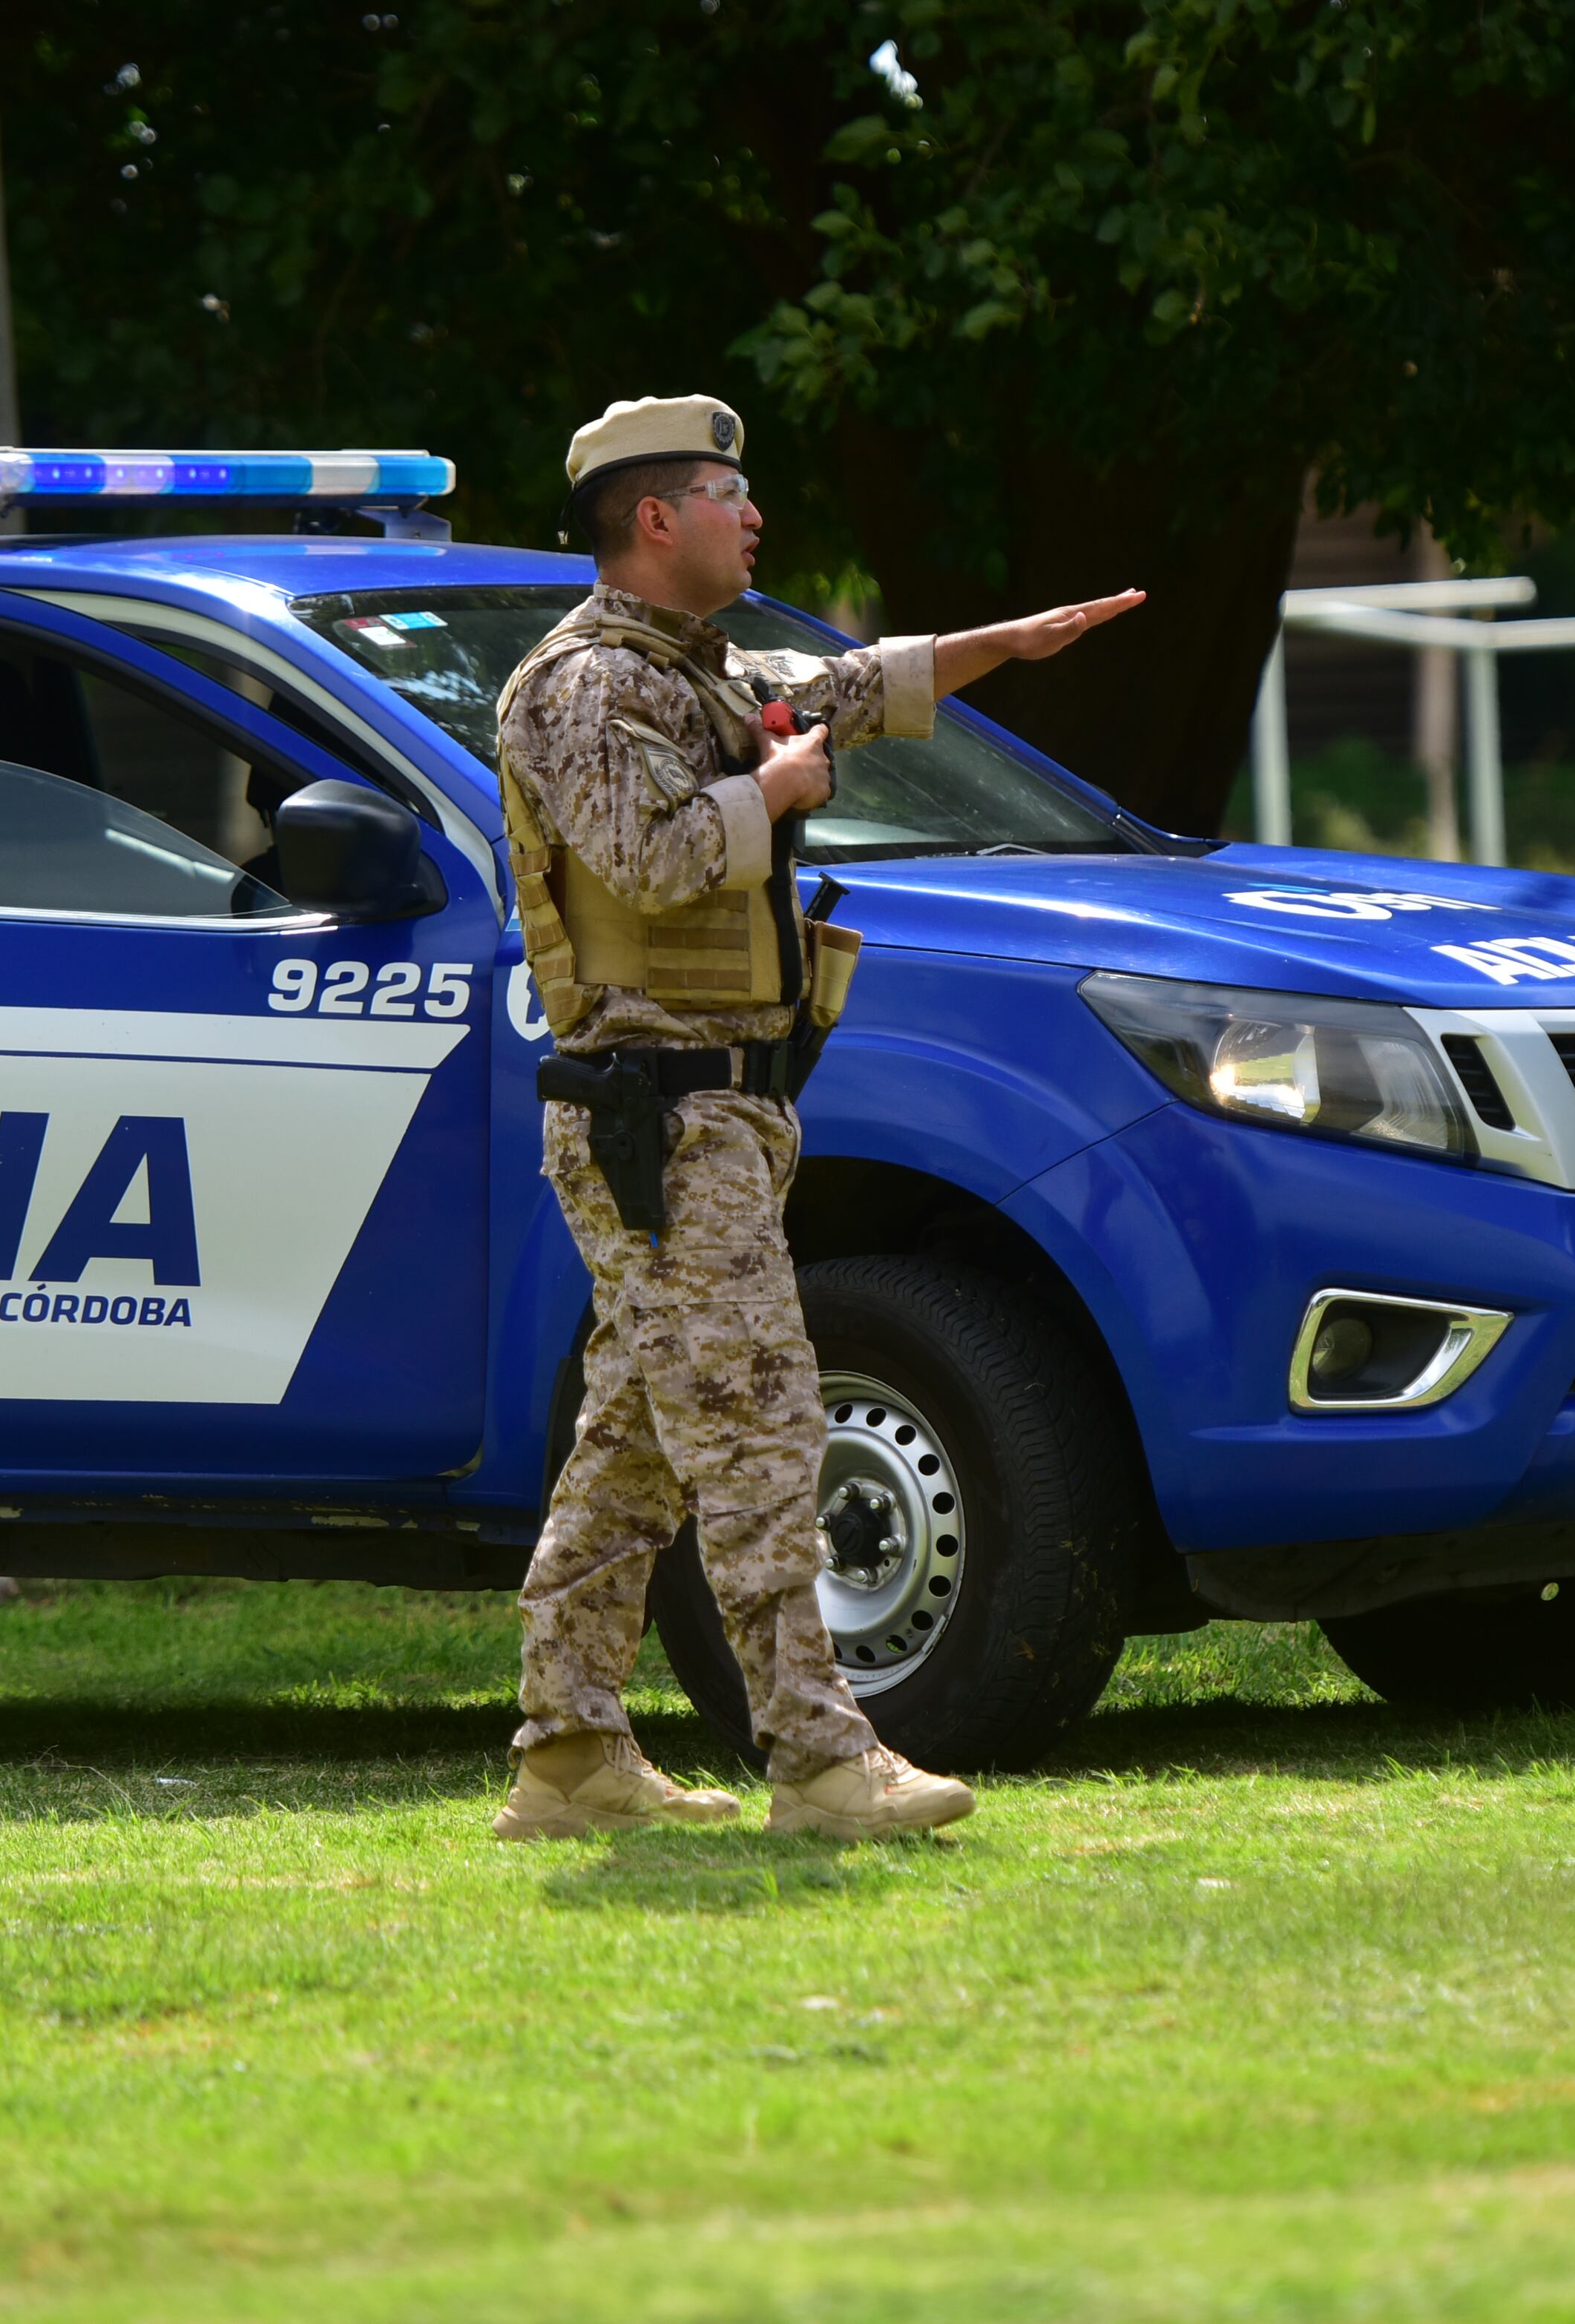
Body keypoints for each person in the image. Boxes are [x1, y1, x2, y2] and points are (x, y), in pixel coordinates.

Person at [489, 393, 1143, 1840]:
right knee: (762, 1421)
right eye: (731, 490)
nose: (755, 511)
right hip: (657, 1117)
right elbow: (646, 860)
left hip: (717, 1114)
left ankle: (568, 1753)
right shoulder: (584, 685)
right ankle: (819, 1755)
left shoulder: (706, 670)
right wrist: (772, 787)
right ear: (654, 519)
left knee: (640, 1442)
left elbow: (855, 685)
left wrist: (1014, 641)